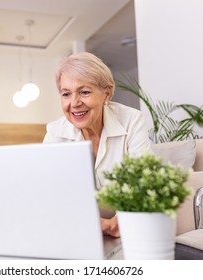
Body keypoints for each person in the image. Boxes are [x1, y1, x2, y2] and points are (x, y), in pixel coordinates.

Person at [43, 52, 151, 237]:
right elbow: (46, 190)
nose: (74, 103)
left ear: (106, 93)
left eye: (84, 92)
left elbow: (142, 187)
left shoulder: (132, 121)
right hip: (75, 229)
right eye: (66, 94)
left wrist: (114, 225)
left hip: (129, 228)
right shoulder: (55, 132)